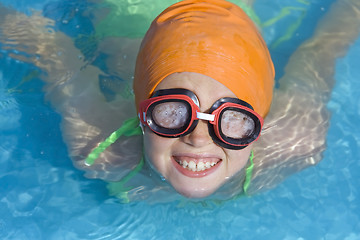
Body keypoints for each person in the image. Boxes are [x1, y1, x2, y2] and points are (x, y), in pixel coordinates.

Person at [1, 0, 360, 201]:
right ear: (142, 113)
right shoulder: (102, 151)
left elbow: (322, 51)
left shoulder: (295, 144)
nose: (199, 138)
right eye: (173, 112)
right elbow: (50, 51)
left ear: (260, 125)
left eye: (233, 118)